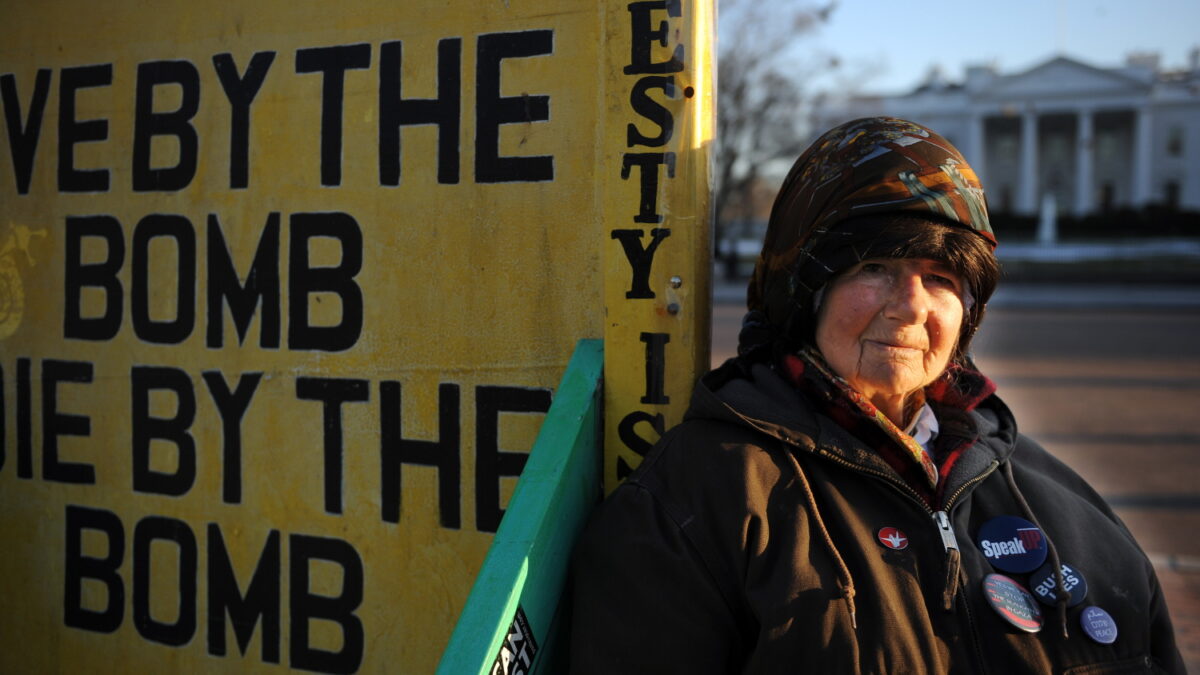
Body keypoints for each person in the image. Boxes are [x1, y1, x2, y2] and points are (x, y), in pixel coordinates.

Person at [569, 117, 1184, 673]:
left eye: (941, 279)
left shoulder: (1067, 509)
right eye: (874, 268)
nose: (911, 305)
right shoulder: (698, 500)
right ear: (803, 293)